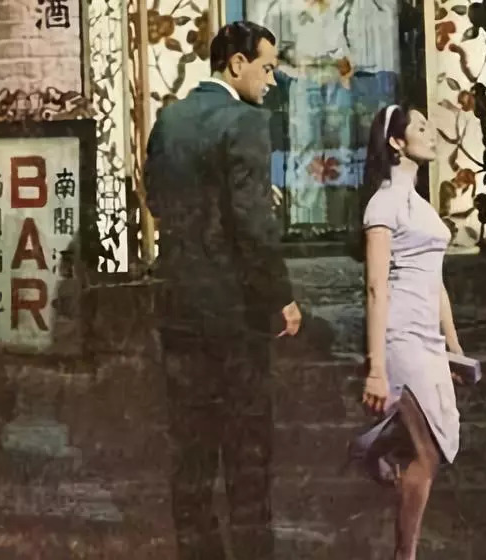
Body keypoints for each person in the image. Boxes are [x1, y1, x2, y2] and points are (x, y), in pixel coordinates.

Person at [144, 21, 302, 560]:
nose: (272, 81)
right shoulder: (246, 122)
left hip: (179, 304)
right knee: (246, 452)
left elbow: (157, 198)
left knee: (190, 453)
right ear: (237, 64)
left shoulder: (170, 118)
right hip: (235, 312)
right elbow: (252, 224)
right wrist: (281, 297)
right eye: (267, 68)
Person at [347, 104, 463, 560]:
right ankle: (405, 555)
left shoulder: (422, 207)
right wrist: (376, 368)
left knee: (440, 438)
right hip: (400, 336)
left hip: (429, 338)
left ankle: (371, 445)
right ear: (396, 142)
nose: (431, 134)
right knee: (428, 453)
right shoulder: (383, 205)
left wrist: (454, 346)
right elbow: (376, 287)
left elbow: (437, 282)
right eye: (420, 128)